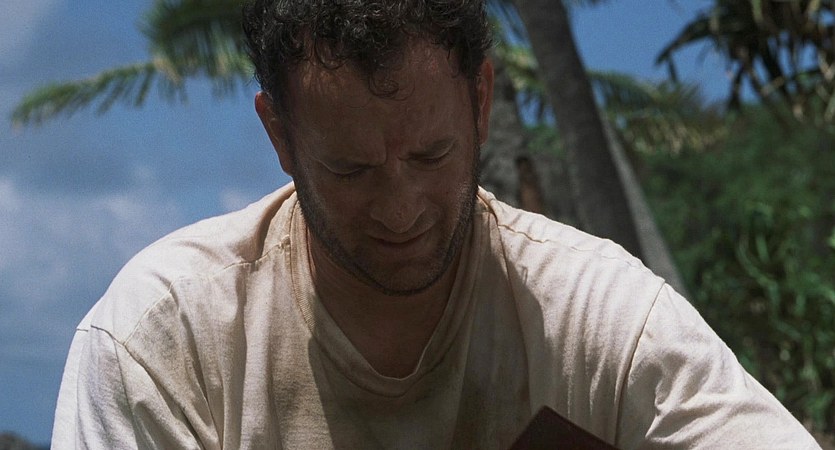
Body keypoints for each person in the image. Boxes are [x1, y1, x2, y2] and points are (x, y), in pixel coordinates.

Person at [52, 0, 820, 448]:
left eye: (430, 155)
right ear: (279, 135)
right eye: (350, 169)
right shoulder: (163, 342)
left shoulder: (596, 317)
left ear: (480, 101)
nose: (400, 209)